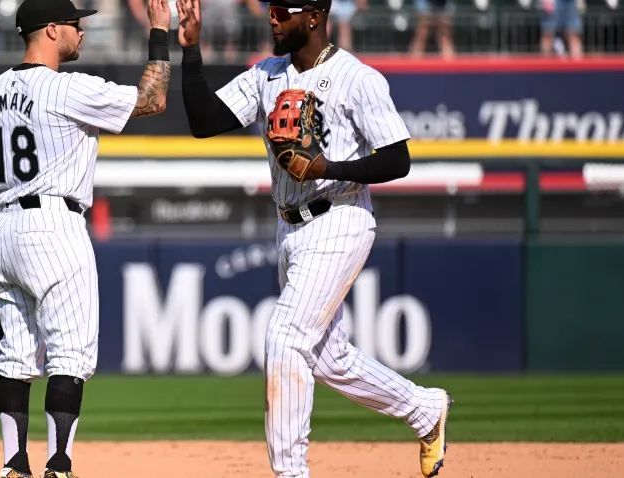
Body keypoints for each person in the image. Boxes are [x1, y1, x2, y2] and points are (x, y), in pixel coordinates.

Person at [175, 0, 453, 476]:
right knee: (327, 357)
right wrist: (192, 48)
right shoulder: (266, 74)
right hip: (290, 227)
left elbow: (397, 159)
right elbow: (203, 122)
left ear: (314, 17)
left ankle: (291, 473)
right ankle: (424, 409)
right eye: (270, 10)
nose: (272, 18)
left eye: (283, 10)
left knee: (285, 338)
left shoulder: (357, 78)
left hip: (340, 216)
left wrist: (329, 167)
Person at [0, 0, 172, 476]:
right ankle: (59, 465)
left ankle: (12, 466)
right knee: (70, 353)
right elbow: (153, 99)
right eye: (76, 24)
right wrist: (158, 32)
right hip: (54, 225)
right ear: (52, 29)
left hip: (3, 229)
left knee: (16, 357)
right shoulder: (65, 89)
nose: (82, 32)